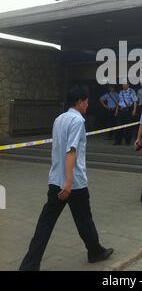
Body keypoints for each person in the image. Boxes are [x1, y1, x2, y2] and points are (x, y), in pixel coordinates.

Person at [19, 86, 113, 271]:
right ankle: (95, 252)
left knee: (46, 224)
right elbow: (71, 151)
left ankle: (29, 265)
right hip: (73, 183)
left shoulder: (59, 119)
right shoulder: (77, 121)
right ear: (79, 102)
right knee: (84, 219)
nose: (87, 104)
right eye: (86, 101)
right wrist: (68, 183)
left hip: (55, 179)